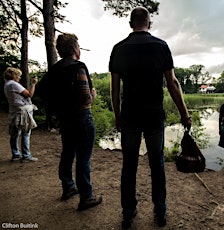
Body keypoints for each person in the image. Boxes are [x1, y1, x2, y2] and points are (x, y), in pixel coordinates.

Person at [109, 6, 192, 229]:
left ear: (130, 24)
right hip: (155, 117)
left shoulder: (119, 49)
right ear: (150, 23)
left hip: (130, 117)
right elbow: (173, 83)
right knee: (157, 164)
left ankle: (128, 212)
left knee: (129, 165)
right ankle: (160, 211)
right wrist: (184, 113)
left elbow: (115, 90)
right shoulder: (161, 46)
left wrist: (118, 117)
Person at [39, 33, 102, 211]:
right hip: (82, 118)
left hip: (65, 119)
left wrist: (56, 105)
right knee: (83, 158)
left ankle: (68, 187)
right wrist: (93, 95)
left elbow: (42, 91)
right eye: (78, 46)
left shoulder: (54, 69)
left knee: (68, 153)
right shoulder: (78, 67)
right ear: (75, 48)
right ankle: (86, 197)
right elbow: (85, 98)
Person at [3, 67, 38, 163]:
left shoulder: (7, 84)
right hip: (22, 111)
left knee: (14, 134)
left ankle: (16, 154)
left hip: (14, 110)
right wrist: (33, 84)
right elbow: (29, 94)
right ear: (13, 76)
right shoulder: (14, 84)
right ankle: (26, 155)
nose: (19, 77)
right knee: (26, 133)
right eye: (18, 75)